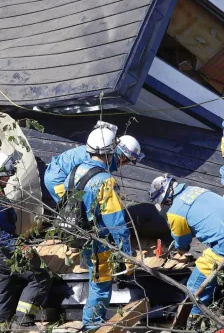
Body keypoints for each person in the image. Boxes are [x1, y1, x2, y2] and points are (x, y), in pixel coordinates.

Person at [149, 175, 224, 318]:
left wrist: (178, 249)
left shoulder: (175, 212)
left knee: (194, 288)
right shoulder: (195, 189)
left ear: (166, 199)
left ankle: (195, 321)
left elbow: (182, 245)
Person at [0, 152, 51, 331]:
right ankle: (22, 321)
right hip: (5, 248)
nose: (8, 179)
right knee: (40, 276)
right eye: (6, 175)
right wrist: (20, 247)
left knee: (3, 287)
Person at [66, 124, 135, 329]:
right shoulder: (105, 181)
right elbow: (117, 224)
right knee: (101, 286)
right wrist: (127, 256)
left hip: (82, 235)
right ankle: (92, 325)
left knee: (94, 277)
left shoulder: (77, 170)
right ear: (111, 151)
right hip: (99, 241)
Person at [42, 122, 143, 203]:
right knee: (74, 209)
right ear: (123, 158)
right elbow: (87, 180)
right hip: (57, 179)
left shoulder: (105, 151)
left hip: (57, 171)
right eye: (129, 162)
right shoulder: (101, 158)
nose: (125, 165)